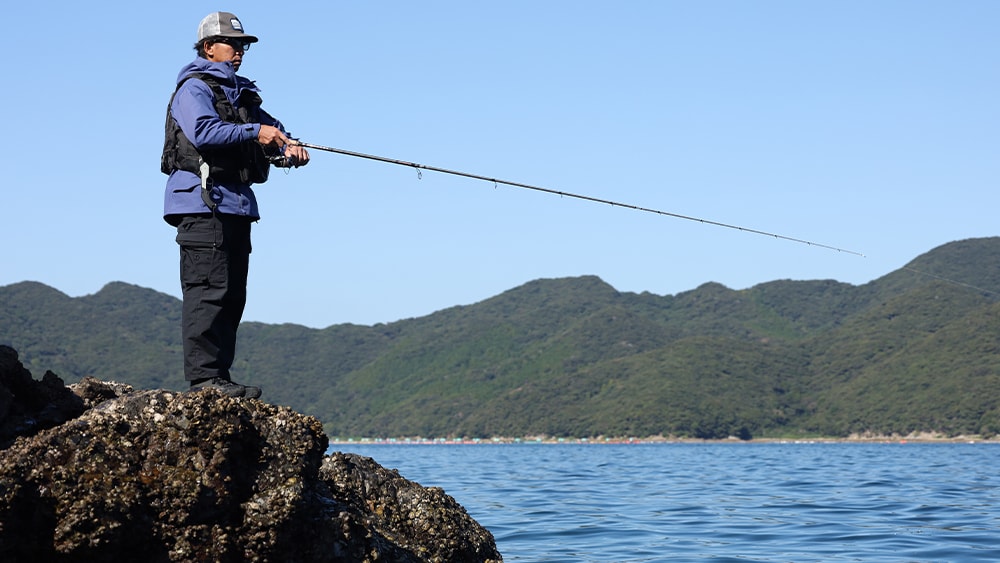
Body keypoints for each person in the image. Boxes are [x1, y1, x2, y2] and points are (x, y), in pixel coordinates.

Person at [161, 11, 309, 398]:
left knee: (232, 295)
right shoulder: (193, 89)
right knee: (207, 292)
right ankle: (203, 380)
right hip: (201, 204)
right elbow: (205, 132)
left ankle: (219, 378)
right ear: (209, 47)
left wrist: (288, 147)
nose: (240, 51)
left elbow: (274, 133)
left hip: (237, 206)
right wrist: (258, 132)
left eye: (243, 45)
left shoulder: (241, 94)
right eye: (233, 44)